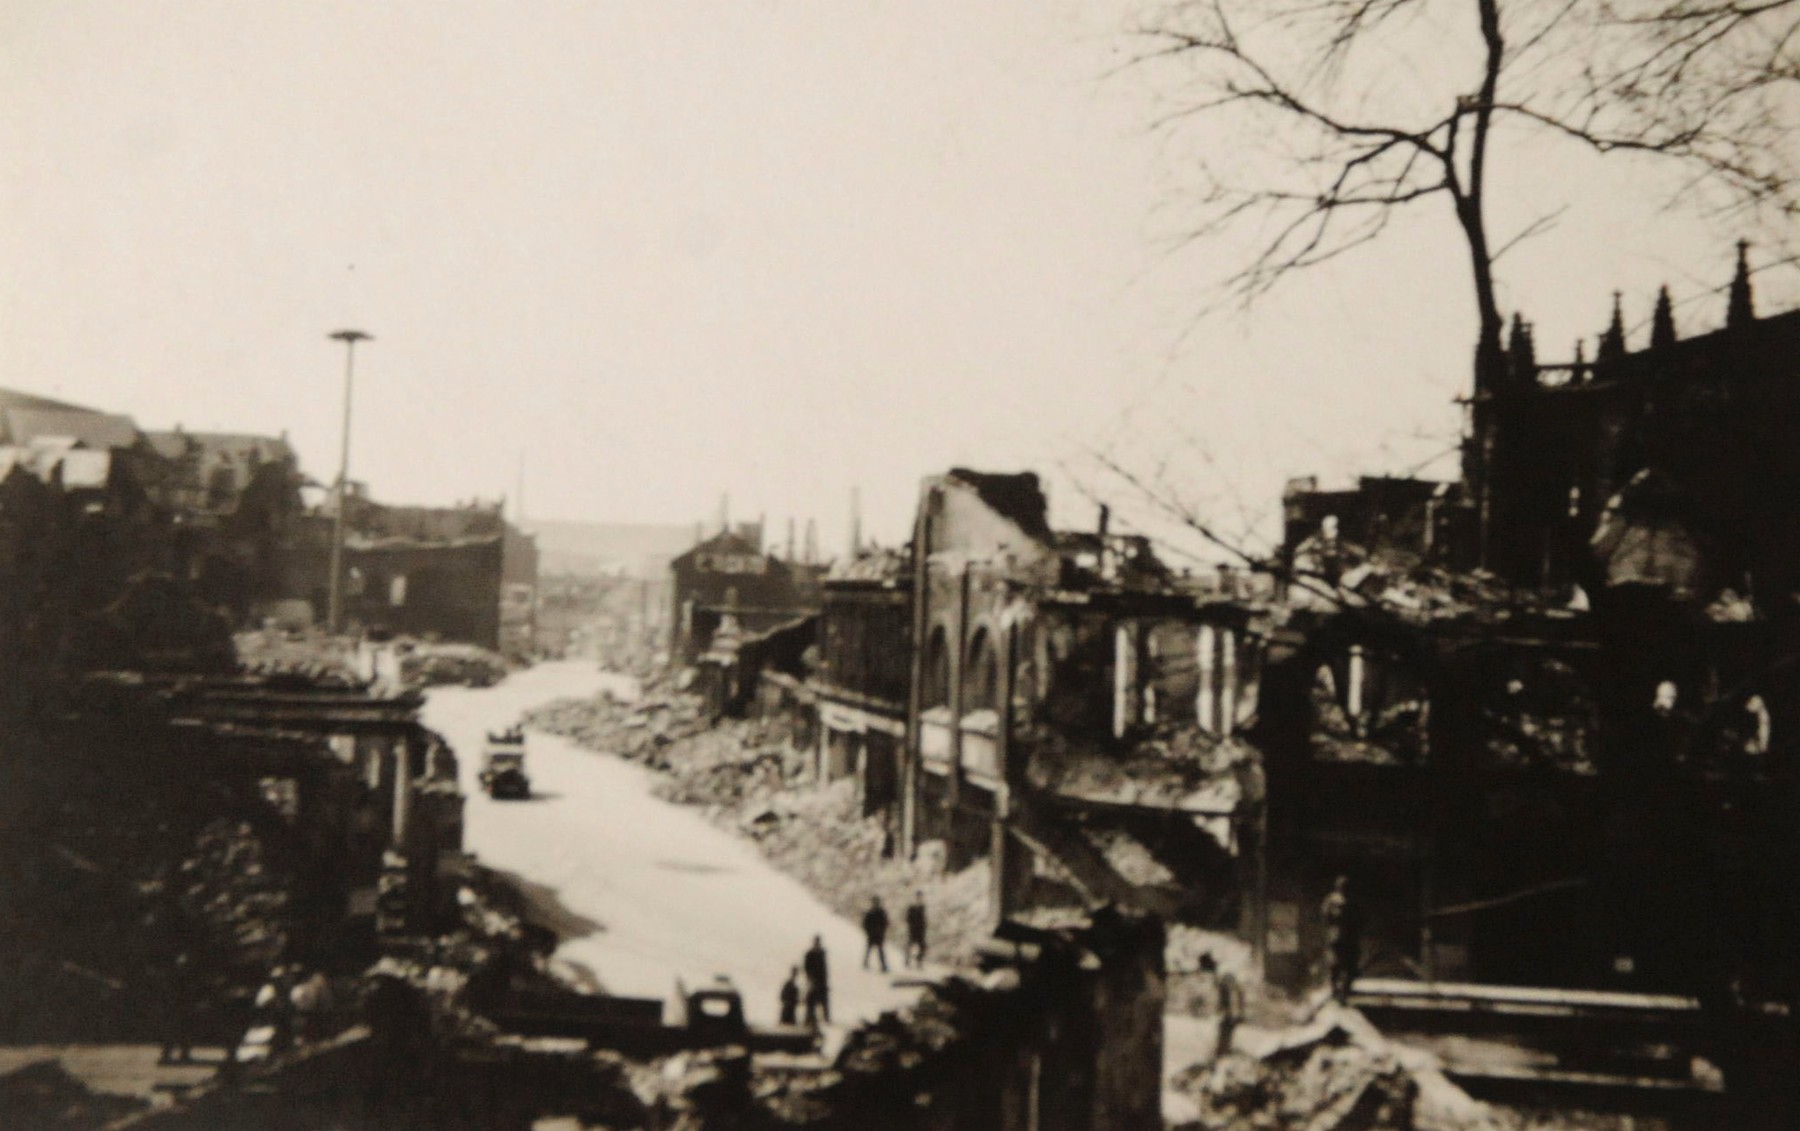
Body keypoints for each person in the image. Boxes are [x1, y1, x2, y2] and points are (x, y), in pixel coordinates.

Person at [1321, 875, 1363, 1004]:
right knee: (1335, 965)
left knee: (1350, 965)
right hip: (1337, 936)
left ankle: (1345, 991)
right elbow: (1324, 915)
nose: (1343, 889)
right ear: (1337, 887)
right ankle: (1336, 991)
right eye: (1341, 886)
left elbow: (1359, 918)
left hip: (1350, 937)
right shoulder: (1331, 899)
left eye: (1345, 886)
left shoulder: (1353, 900)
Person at [802, 936, 830, 1027]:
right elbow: (806, 967)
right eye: (816, 942)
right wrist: (810, 979)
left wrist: (826, 981)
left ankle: (826, 1017)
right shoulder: (809, 954)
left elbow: (825, 968)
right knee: (811, 999)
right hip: (813, 980)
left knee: (824, 1000)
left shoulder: (822, 953)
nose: (817, 944)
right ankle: (809, 1017)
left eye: (818, 942)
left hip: (822, 981)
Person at [861, 896, 890, 973]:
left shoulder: (878, 912)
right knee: (871, 949)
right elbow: (865, 923)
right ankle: (867, 962)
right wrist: (869, 931)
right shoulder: (871, 912)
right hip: (873, 934)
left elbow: (885, 923)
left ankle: (882, 965)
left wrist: (881, 930)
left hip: (877, 934)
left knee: (877, 950)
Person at [904, 892, 928, 969]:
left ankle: (919, 961)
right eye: (918, 897)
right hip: (913, 930)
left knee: (922, 946)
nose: (919, 899)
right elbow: (908, 918)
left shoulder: (922, 907)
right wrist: (911, 926)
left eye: (920, 897)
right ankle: (907, 960)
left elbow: (923, 919)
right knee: (910, 945)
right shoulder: (912, 908)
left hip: (921, 931)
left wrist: (924, 928)